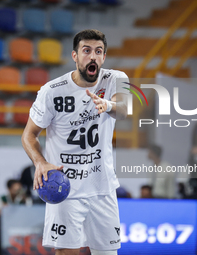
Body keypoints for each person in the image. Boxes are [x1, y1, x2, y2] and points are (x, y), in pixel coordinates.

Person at [22, 29, 128, 255]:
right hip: (65, 188)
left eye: (98, 52)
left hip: (102, 188)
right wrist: (40, 162)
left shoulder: (116, 79)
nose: (93, 56)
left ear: (104, 57)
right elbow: (28, 135)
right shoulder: (52, 91)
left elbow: (124, 110)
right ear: (75, 56)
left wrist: (107, 105)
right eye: (86, 50)